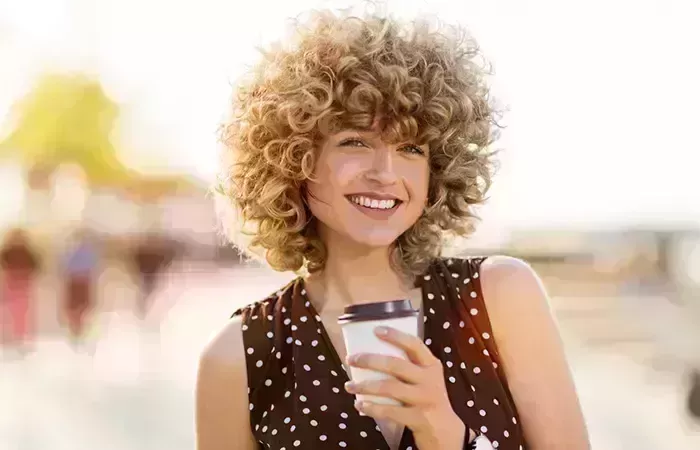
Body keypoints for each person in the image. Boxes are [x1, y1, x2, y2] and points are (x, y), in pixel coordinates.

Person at [196, 10, 590, 450]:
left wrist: (448, 435)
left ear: (436, 171)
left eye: (409, 148)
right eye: (355, 142)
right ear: (294, 160)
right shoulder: (240, 356)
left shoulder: (498, 299)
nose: (385, 173)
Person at [0, 228, 40, 356]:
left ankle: (20, 336)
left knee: (20, 311)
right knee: (13, 310)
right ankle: (13, 336)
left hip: (20, 282)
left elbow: (35, 265)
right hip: (15, 281)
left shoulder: (19, 251)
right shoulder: (15, 250)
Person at [60, 229, 98, 350]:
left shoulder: (81, 252)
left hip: (80, 282)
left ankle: (80, 331)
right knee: (77, 308)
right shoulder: (73, 252)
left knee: (81, 307)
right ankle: (77, 331)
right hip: (77, 282)